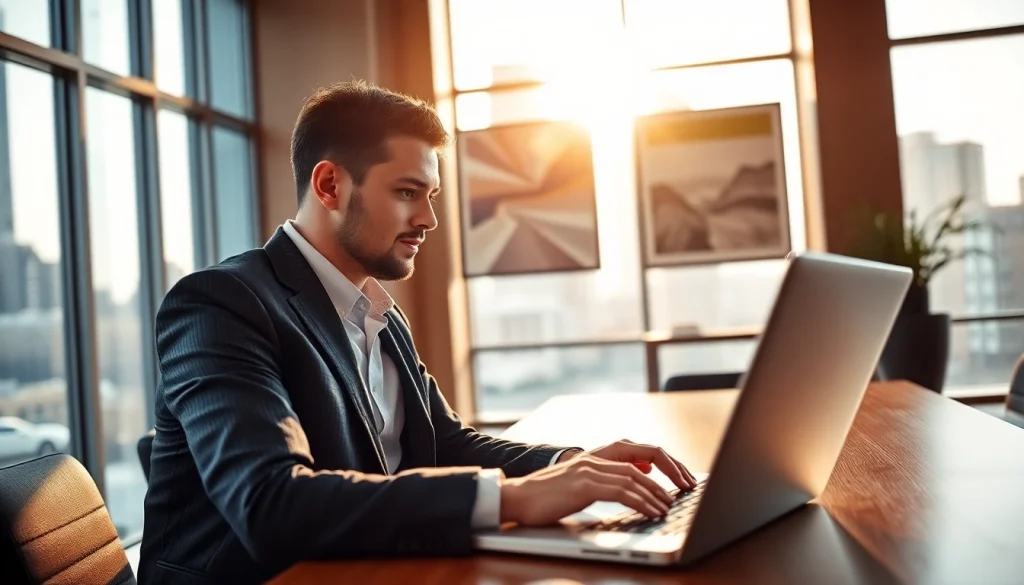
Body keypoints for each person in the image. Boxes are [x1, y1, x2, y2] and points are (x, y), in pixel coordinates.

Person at [137, 80, 697, 584]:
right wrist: (513, 498)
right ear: (330, 185)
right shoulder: (220, 304)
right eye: (407, 192)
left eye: (430, 196)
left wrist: (571, 465)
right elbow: (270, 503)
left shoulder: (377, 311)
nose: (428, 219)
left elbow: (444, 443)